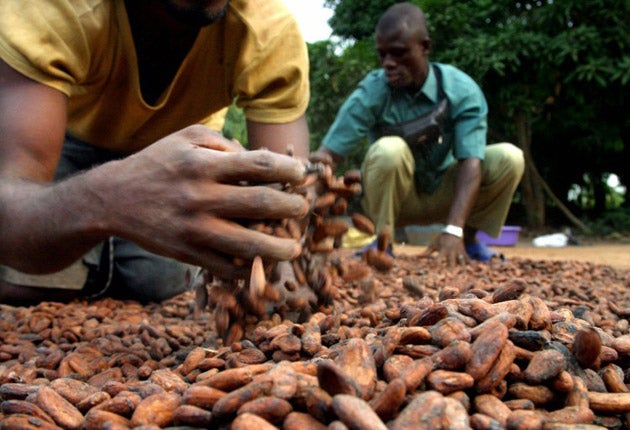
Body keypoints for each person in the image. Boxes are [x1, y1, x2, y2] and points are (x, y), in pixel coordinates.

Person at [0, 0, 312, 304]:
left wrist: (279, 262)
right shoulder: (50, 7)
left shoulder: (270, 30)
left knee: (161, 282)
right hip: (65, 136)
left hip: (183, 152)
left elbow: (287, 197)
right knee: (28, 284)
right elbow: (9, 207)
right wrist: (105, 199)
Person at [313, 2, 524, 266]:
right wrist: (303, 199)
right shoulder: (373, 91)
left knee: (510, 157)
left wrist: (454, 229)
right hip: (395, 202)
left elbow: (471, 163)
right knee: (389, 149)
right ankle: (383, 243)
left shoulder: (460, 89)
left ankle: (467, 241)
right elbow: (327, 156)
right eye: (383, 55)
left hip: (448, 194)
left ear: (424, 47)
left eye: (399, 53)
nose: (389, 64)